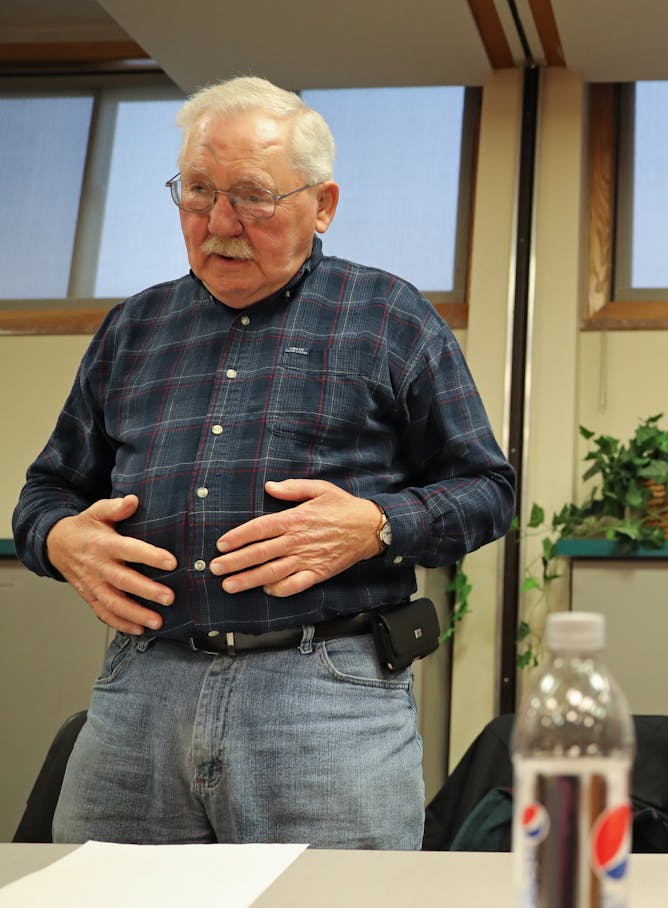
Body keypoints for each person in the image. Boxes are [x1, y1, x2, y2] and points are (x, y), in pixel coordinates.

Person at [11, 76, 516, 849]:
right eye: (198, 191)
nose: (218, 222)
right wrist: (58, 541)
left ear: (323, 205)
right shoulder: (133, 328)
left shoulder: (390, 316)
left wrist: (378, 524)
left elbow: (488, 490)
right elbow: (47, 491)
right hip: (139, 689)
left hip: (325, 696)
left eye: (251, 195)